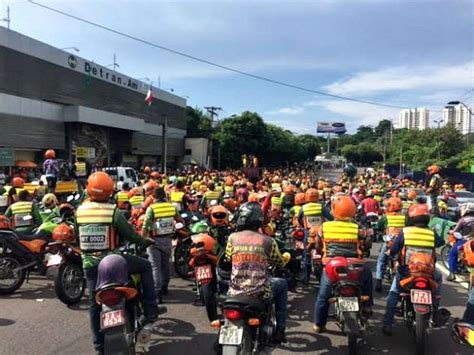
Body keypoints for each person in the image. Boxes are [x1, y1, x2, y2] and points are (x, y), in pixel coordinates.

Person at [76, 172, 159, 355]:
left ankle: (99, 347)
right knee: (145, 266)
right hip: (114, 263)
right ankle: (151, 309)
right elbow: (129, 234)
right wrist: (145, 242)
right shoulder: (112, 211)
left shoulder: (80, 211)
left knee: (93, 303)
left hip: (90, 266)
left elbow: (77, 238)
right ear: (109, 192)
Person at [225, 202, 290, 343]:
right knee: (282, 284)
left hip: (234, 292)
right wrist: (286, 258)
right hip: (260, 292)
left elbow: (228, 257)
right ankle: (280, 329)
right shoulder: (268, 241)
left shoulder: (232, 238)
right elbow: (278, 262)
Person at [313, 195, 373, 333]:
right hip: (355, 268)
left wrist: (319, 251)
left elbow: (317, 245)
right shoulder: (357, 228)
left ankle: (319, 324)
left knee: (323, 297)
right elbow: (367, 244)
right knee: (368, 274)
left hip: (331, 268)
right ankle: (368, 305)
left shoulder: (324, 227)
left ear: (334, 210)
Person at [382, 203, 444, 335]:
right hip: (429, 273)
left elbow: (394, 249)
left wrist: (392, 254)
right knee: (437, 285)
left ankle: (387, 323)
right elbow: (441, 243)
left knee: (394, 293)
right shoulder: (431, 233)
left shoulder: (406, 232)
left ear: (410, 218)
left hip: (407, 272)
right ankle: (434, 312)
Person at [142, 187, 182, 303]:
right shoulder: (172, 208)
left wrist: (142, 239)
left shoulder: (151, 209)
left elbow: (145, 226)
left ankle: (157, 292)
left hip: (153, 241)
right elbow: (180, 221)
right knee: (165, 265)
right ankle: (165, 287)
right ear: (164, 196)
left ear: (153, 197)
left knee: (155, 266)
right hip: (167, 241)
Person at [375, 197, 406, 292]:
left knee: (381, 260)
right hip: (402, 243)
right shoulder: (405, 217)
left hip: (389, 242)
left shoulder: (386, 217)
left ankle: (379, 281)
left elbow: (378, 227)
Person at [447, 203, 474, 281]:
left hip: (466, 242)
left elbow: (455, 231)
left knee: (452, 254)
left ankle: (452, 274)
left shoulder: (463, 220)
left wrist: (450, 231)